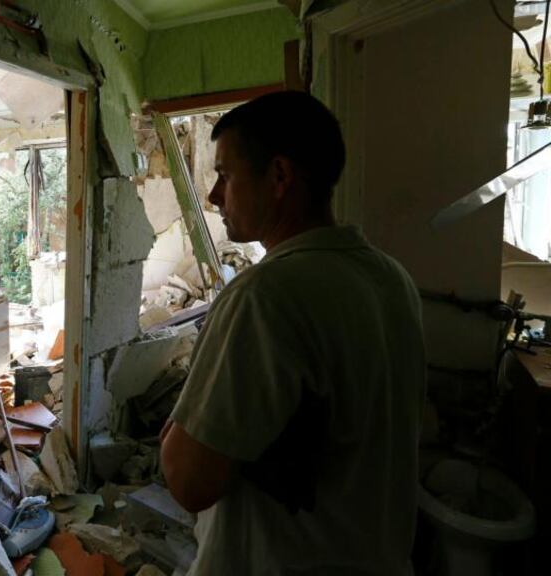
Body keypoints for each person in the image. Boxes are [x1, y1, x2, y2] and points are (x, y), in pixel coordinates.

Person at [160, 91, 426, 575]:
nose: (215, 195)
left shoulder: (266, 295)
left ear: (279, 177)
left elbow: (188, 482)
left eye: (225, 174)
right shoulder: (391, 277)